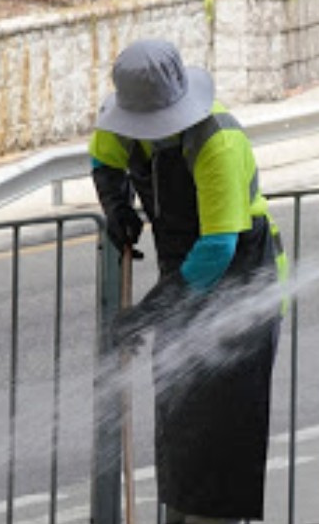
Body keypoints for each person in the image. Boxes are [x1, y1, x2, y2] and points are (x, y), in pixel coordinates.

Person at [91, 39, 287, 524]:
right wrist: (117, 208)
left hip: (242, 285)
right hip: (181, 276)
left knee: (222, 433)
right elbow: (103, 160)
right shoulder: (126, 126)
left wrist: (150, 314)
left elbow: (217, 249)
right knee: (180, 424)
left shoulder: (217, 141)